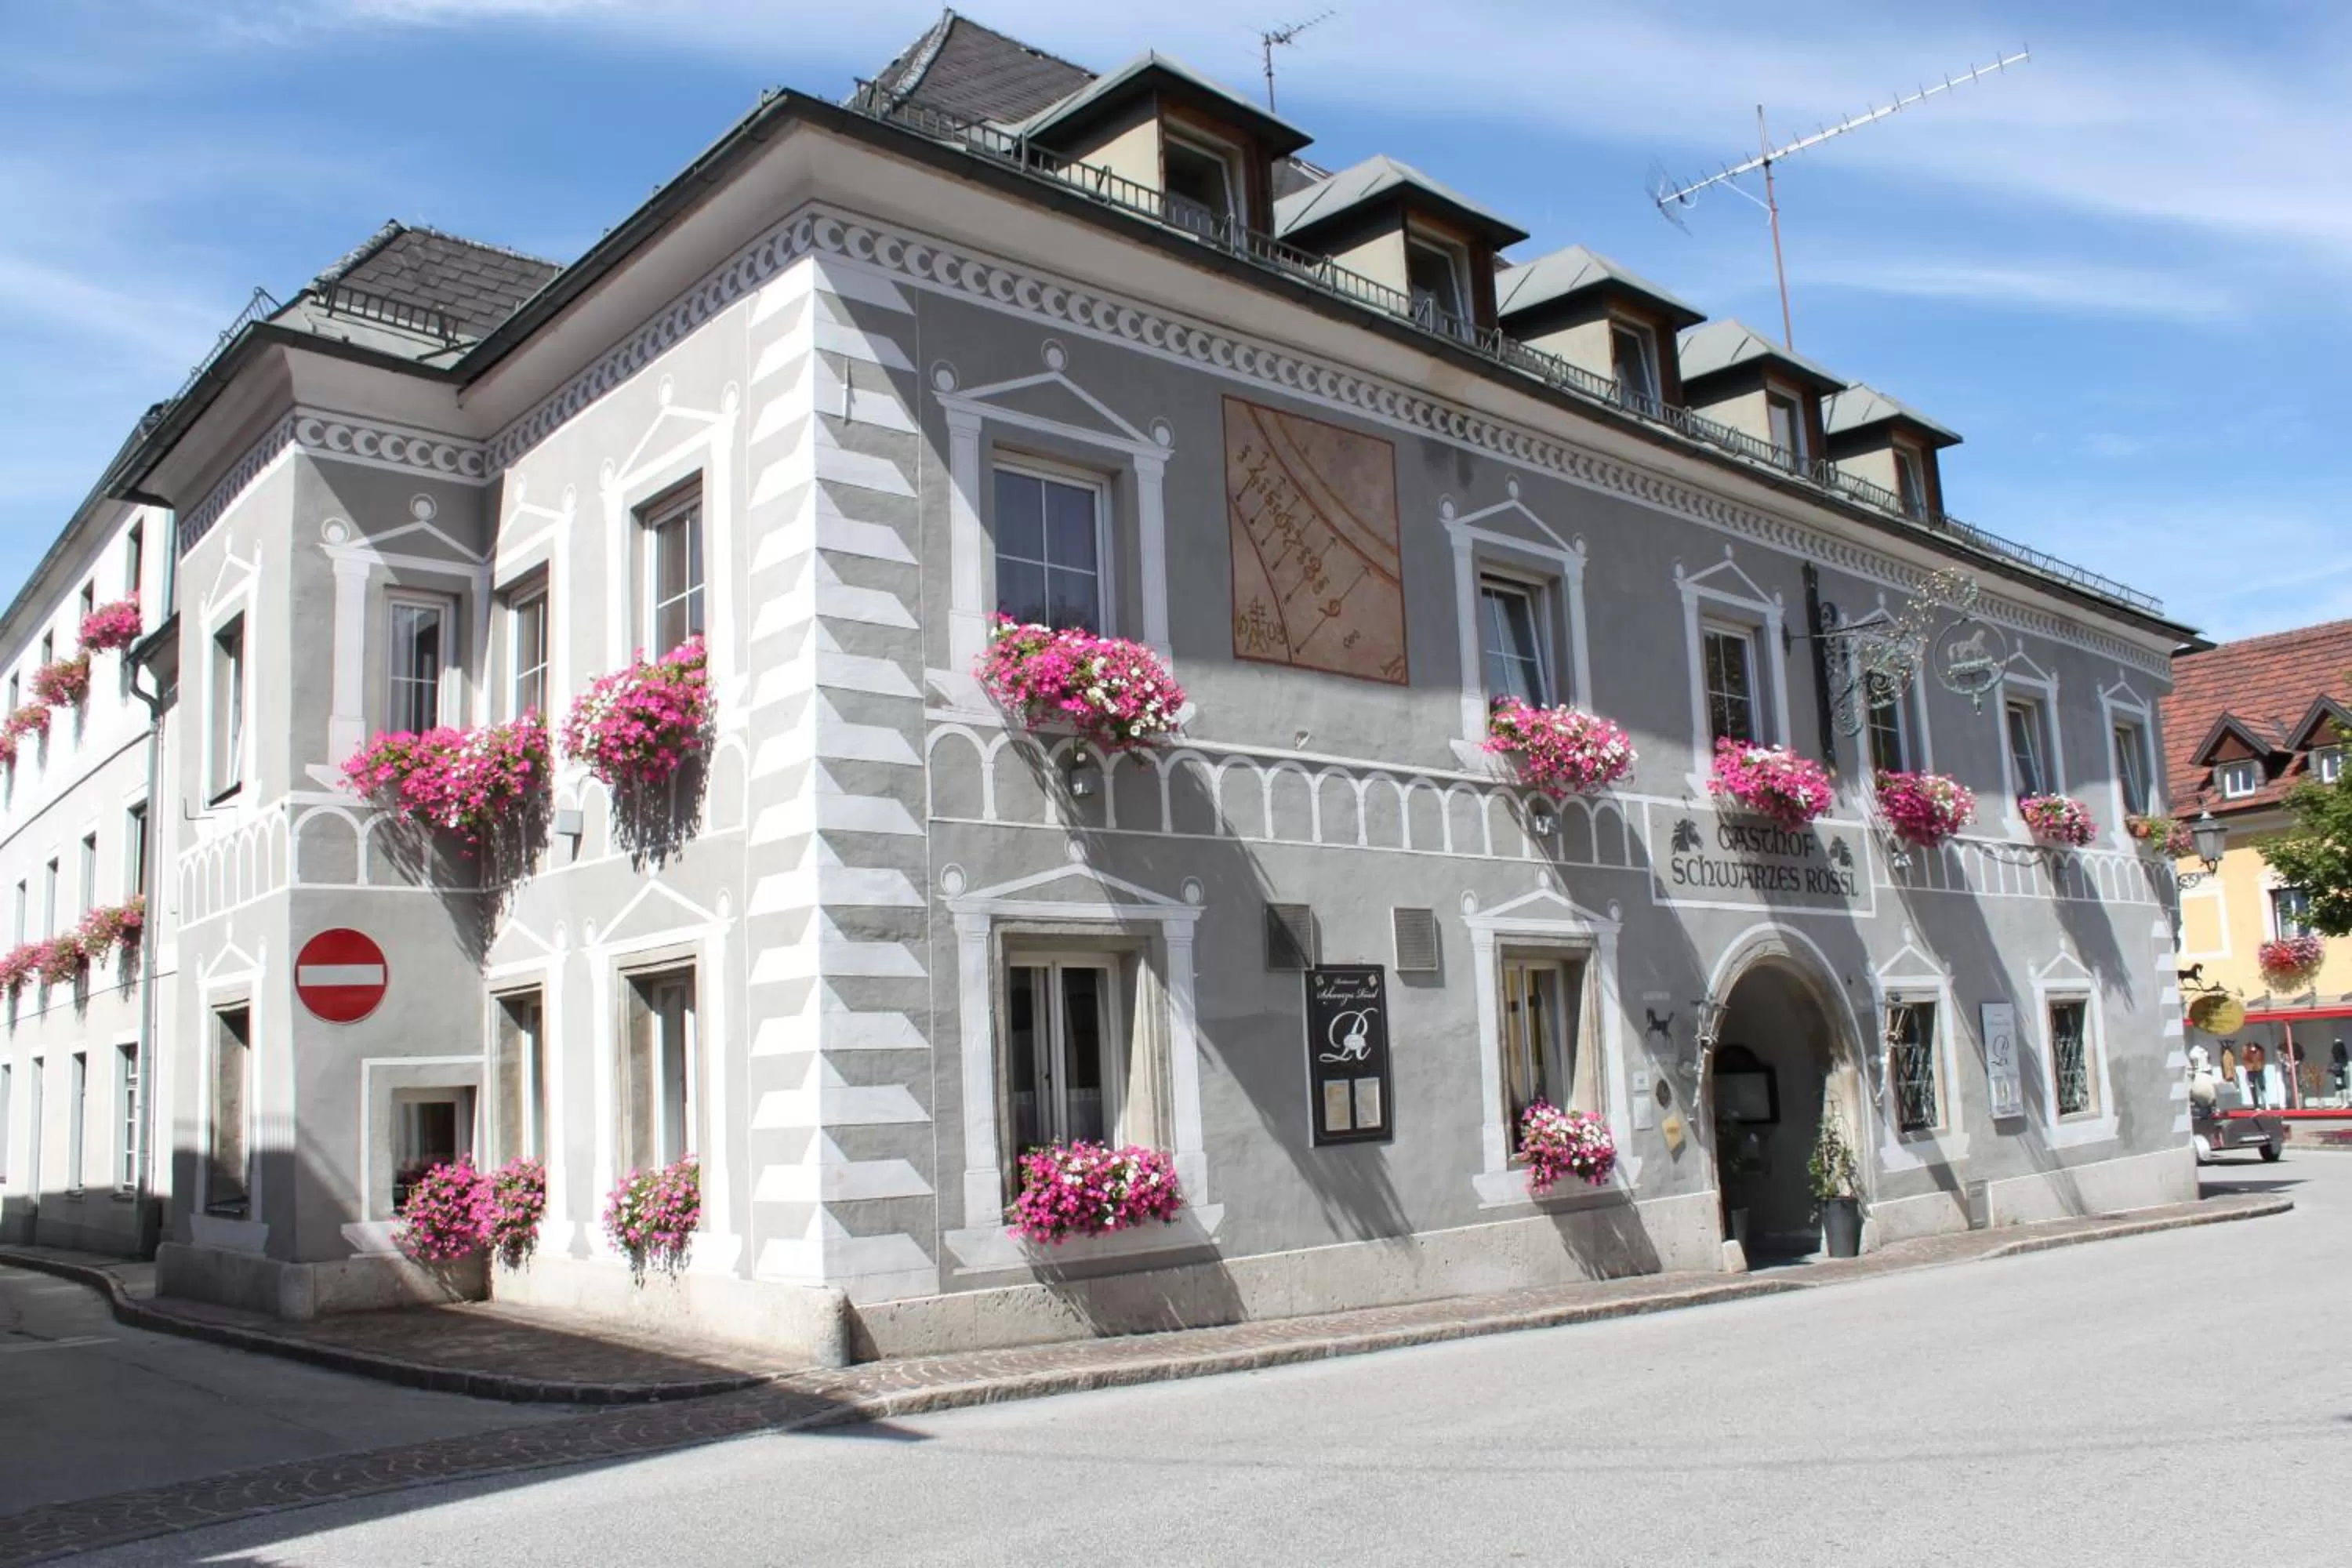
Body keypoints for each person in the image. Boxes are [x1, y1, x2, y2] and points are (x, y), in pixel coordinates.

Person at [2244, 1041, 2267, 1109]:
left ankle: (2266, 1103)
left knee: (2262, 1086)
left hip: (2258, 1070)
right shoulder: (2246, 1052)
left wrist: (2257, 1047)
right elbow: (2244, 1056)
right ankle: (2256, 1105)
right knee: (2253, 1089)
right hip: (2250, 1072)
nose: (2252, 1048)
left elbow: (2262, 1056)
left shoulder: (2260, 1051)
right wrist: (2247, 1047)